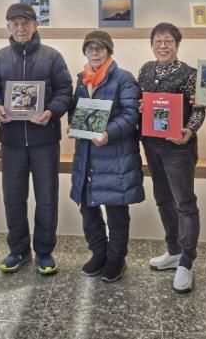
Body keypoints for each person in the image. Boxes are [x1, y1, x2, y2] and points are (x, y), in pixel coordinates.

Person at [0, 3, 72, 275]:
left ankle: (44, 252)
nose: (20, 28)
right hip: (11, 142)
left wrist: (51, 111)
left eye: (26, 23)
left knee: (47, 198)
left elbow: (65, 91)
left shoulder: (52, 57)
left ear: (35, 25)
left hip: (45, 140)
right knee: (13, 198)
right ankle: (18, 250)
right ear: (9, 27)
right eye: (15, 24)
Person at [70, 31, 144, 283]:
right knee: (88, 209)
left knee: (116, 212)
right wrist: (75, 126)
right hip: (86, 155)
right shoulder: (82, 79)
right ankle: (98, 253)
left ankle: (116, 259)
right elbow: (76, 110)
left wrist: (108, 133)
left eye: (99, 48)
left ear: (109, 51)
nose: (94, 53)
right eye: (89, 48)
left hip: (115, 156)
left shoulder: (124, 78)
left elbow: (131, 115)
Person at [138, 23, 205, 293]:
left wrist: (190, 130)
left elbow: (198, 109)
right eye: (158, 41)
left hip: (178, 147)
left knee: (184, 203)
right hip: (151, 145)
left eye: (168, 41)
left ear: (177, 44)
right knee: (163, 199)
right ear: (151, 44)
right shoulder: (146, 70)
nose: (163, 45)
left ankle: (187, 260)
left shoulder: (189, 74)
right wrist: (140, 106)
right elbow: (140, 101)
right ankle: (174, 251)